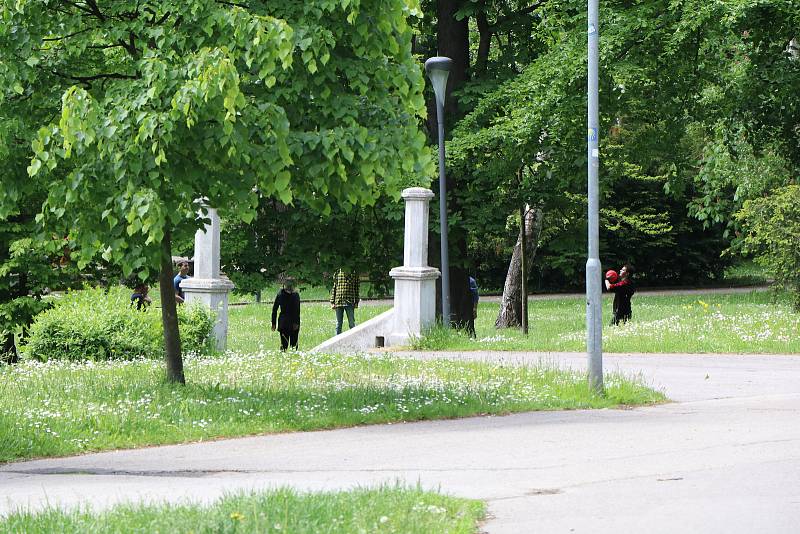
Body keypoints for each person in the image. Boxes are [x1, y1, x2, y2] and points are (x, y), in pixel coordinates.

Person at [271, 278, 301, 351]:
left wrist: (273, 323)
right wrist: (296, 323)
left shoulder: (280, 294)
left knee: (284, 344)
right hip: (292, 322)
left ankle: (284, 355)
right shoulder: (295, 295)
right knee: (293, 344)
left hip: (283, 322)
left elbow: (274, 309)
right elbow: (297, 310)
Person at [330, 268, 360, 335]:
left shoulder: (354, 274)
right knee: (338, 324)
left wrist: (356, 302)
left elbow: (356, 288)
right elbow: (334, 287)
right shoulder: (337, 273)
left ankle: (353, 337)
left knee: (351, 323)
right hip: (338, 301)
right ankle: (337, 340)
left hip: (349, 301)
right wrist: (332, 301)